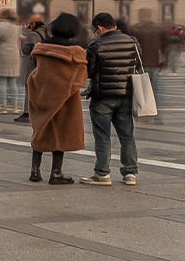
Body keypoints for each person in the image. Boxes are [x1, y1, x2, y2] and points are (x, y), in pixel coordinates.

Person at [28, 13, 88, 185]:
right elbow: (81, 76)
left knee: (40, 130)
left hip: (42, 93)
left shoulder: (41, 48)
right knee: (61, 133)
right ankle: (56, 173)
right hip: (65, 97)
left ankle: (35, 170)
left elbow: (34, 72)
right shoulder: (75, 52)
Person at [84, 12, 142, 186]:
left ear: (100, 28)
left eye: (96, 30)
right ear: (114, 25)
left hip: (103, 97)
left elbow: (90, 72)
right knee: (127, 136)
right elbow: (138, 64)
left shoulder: (95, 46)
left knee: (102, 136)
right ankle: (130, 173)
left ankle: (102, 173)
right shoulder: (132, 42)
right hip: (126, 94)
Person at [0, 10, 23, 114]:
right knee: (13, 82)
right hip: (14, 54)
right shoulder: (17, 28)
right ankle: (15, 107)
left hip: (2, 54)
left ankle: (3, 107)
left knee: (2, 82)